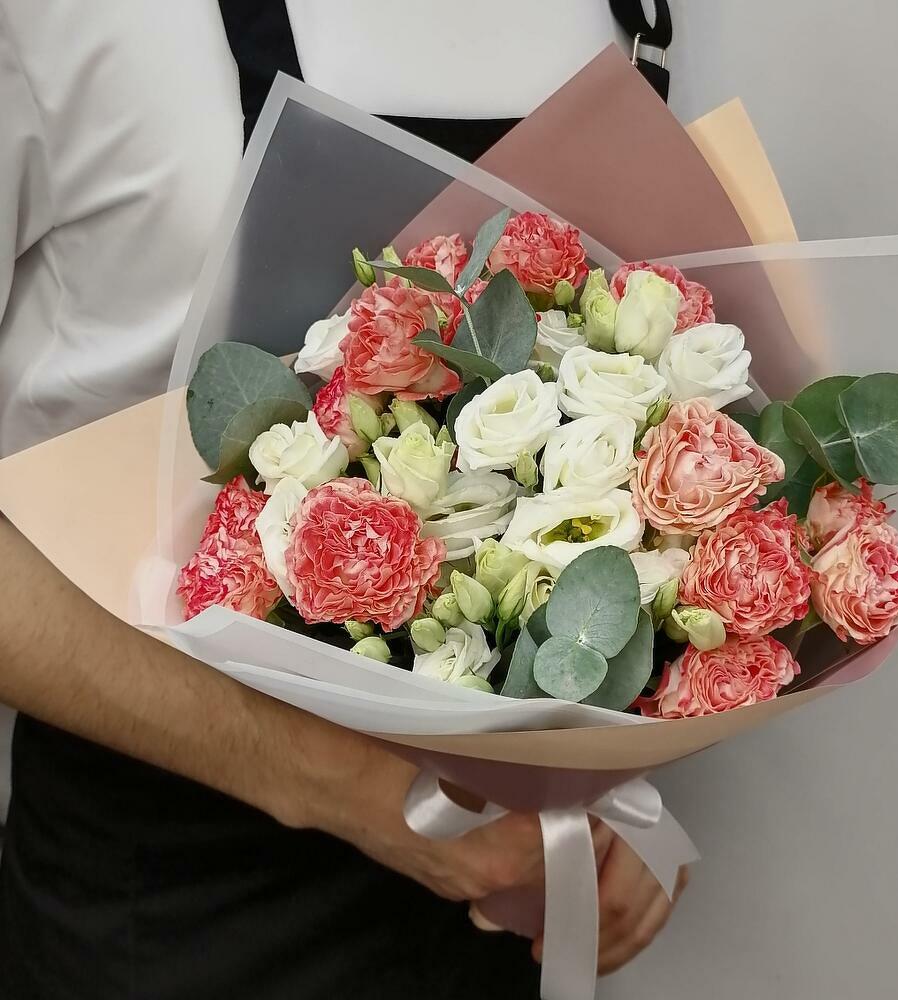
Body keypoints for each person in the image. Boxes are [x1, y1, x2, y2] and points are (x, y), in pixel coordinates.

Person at [0, 2, 684, 996]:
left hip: (497, 904)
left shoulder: (630, 17)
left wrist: (616, 794)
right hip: (177, 909)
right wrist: (366, 794)